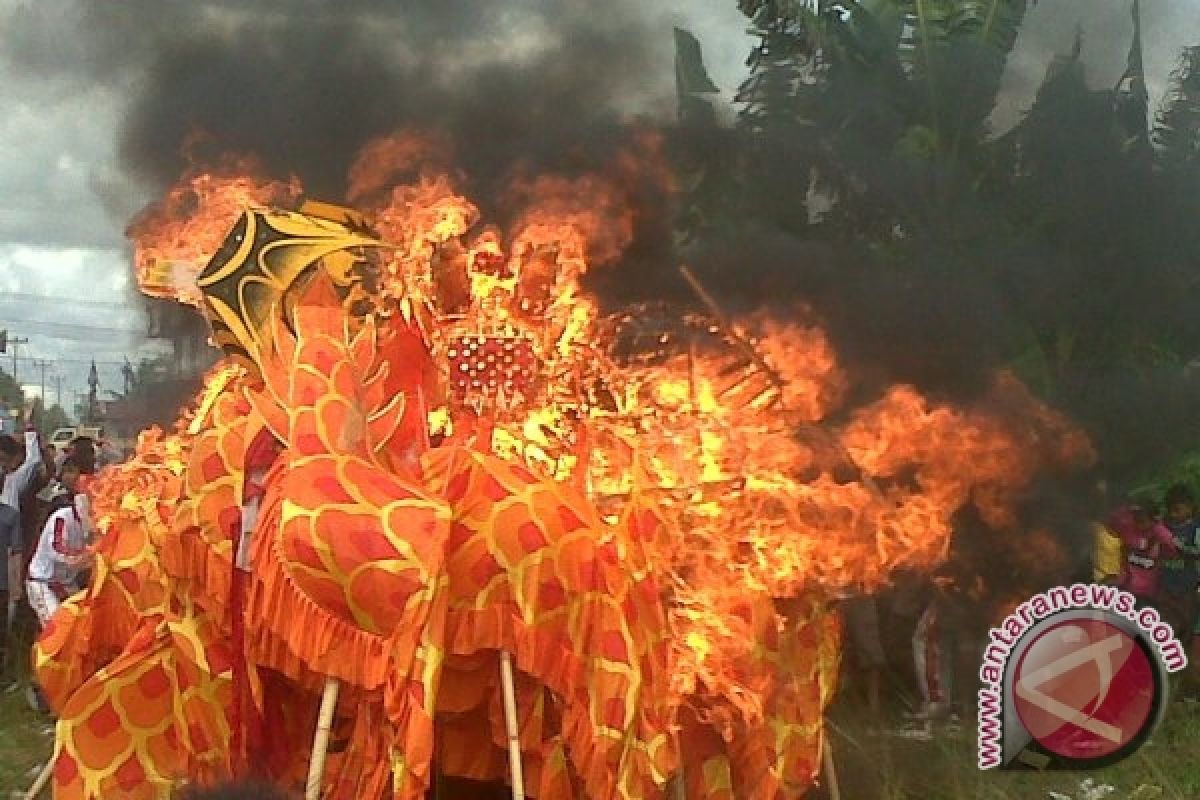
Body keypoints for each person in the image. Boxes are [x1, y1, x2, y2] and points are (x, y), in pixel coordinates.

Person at [26, 492, 92, 628]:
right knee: (55, 628)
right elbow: (56, 548)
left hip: (66, 583)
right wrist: (81, 557)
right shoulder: (62, 518)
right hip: (43, 582)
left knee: (82, 620)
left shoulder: (91, 526)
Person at [1111, 503, 1178, 604]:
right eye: (1136, 520)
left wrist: (1158, 527)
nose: (1139, 524)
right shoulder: (1129, 528)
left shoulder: (1160, 533)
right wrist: (1128, 508)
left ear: (1154, 520)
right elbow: (1114, 519)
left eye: (1142, 521)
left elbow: (1173, 548)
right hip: (1125, 585)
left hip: (1147, 591)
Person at [1159, 485, 1200, 638]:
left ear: (1190, 507)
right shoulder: (1163, 527)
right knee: (1166, 623)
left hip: (1187, 586)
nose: (1173, 514)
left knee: (1187, 622)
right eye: (1170, 510)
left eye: (1177, 510)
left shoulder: (1195, 528)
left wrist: (1179, 546)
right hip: (1165, 585)